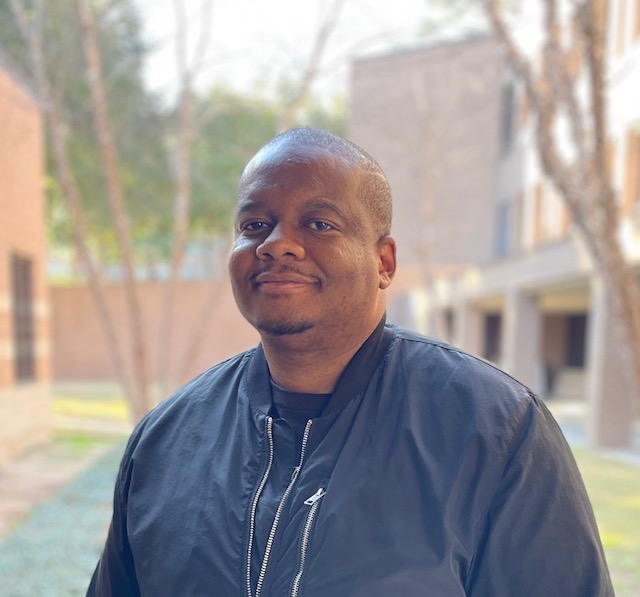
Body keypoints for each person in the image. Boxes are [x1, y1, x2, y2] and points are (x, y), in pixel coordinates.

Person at [87, 127, 613, 596]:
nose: (276, 244)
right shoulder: (166, 439)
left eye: (318, 223)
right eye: (254, 224)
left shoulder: (496, 432)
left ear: (384, 262)